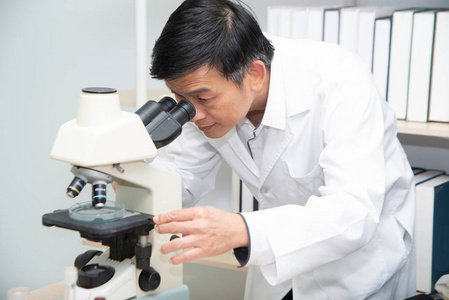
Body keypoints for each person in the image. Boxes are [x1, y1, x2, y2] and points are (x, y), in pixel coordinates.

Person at [149, 0, 416, 299]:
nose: (193, 114)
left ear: (255, 75)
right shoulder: (209, 94)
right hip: (279, 264)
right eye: (180, 98)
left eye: (203, 98)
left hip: (359, 269)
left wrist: (241, 229)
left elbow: (353, 213)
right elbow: (178, 176)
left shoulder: (341, 83)